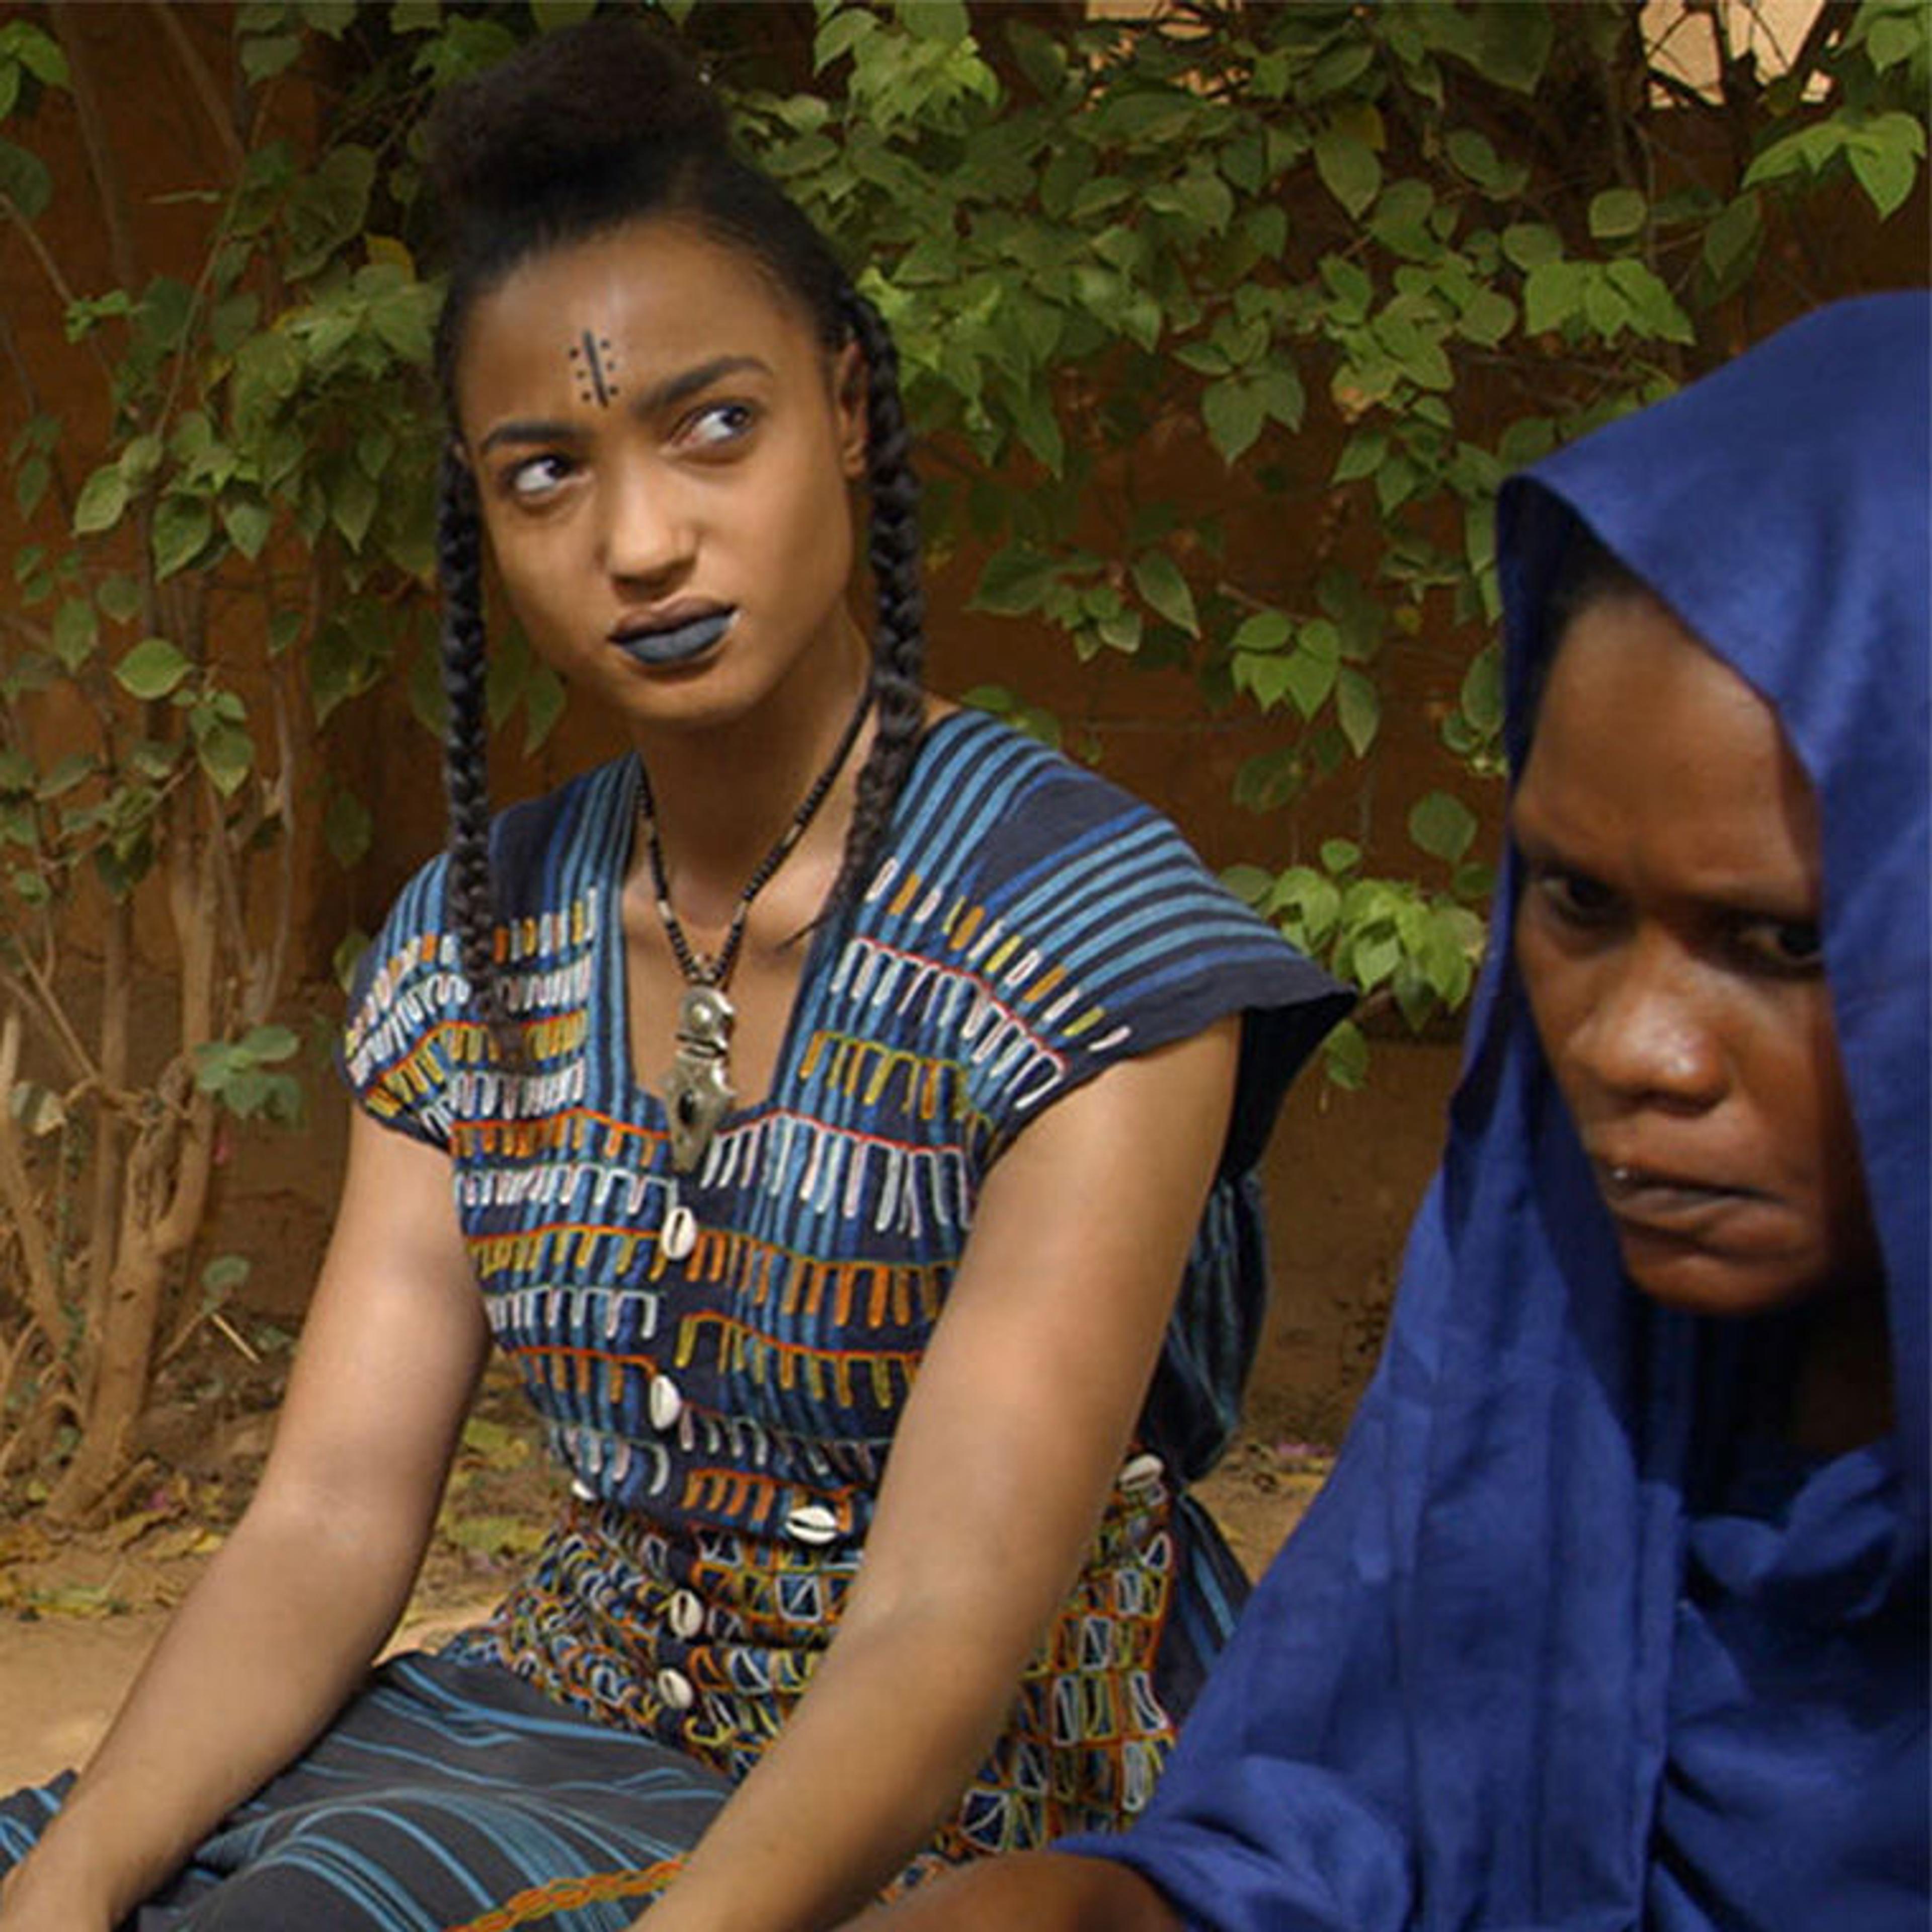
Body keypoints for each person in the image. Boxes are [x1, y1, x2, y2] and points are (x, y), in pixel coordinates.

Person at [0, 20, 1349, 1932]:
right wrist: (58, 1897)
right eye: (546, 472)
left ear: (851, 406)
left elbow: (948, 1613)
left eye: (717, 425)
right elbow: (325, 1518)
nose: (641, 540)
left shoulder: (1084, 939)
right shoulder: (481, 937)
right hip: (578, 1695)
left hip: (994, 1756)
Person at [839, 293, 1931, 1931]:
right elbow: (1310, 1852)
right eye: (1573, 901)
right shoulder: (1553, 1372)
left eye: (1778, 942)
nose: (1639, 1048)